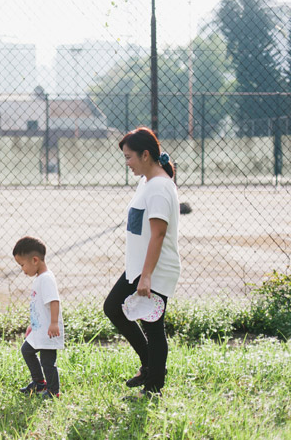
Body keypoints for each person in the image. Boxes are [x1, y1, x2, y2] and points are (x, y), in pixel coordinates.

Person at [103, 126, 181, 401]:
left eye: (129, 157)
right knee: (113, 307)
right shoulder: (147, 181)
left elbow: (158, 234)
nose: (127, 163)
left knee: (154, 328)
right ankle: (151, 366)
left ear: (145, 155)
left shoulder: (159, 187)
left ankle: (153, 388)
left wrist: (146, 276)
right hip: (139, 268)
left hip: (154, 269)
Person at [13, 236, 64, 399]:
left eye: (22, 265)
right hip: (39, 329)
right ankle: (39, 382)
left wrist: (54, 323)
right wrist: (32, 325)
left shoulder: (47, 279)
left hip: (49, 330)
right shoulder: (39, 279)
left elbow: (54, 301)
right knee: (26, 350)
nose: (22, 269)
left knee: (48, 362)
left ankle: (53, 391)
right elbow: (39, 306)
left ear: (35, 260)